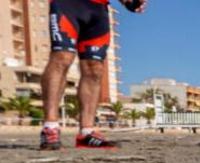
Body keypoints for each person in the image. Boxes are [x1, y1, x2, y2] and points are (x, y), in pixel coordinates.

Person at [39, 0, 148, 150]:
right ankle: (50, 126)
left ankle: (87, 132)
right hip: (66, 5)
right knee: (62, 57)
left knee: (95, 68)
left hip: (98, 9)